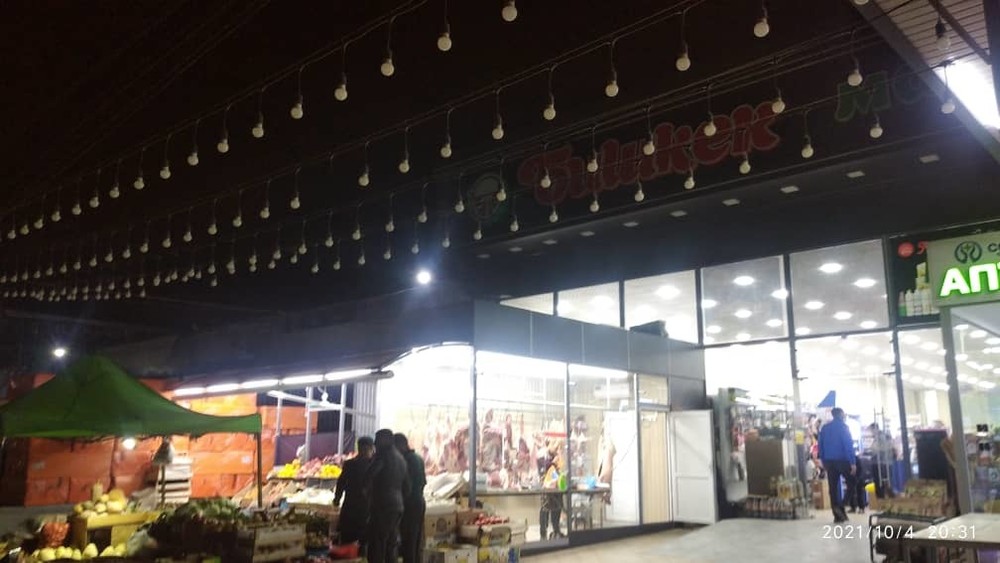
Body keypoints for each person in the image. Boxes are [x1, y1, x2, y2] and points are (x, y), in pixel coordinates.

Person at [365, 429, 410, 563]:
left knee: (377, 543)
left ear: (385, 440)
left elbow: (370, 475)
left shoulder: (383, 456)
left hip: (382, 505)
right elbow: (407, 487)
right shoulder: (401, 459)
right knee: (391, 543)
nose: (375, 443)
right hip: (397, 507)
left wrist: (366, 491)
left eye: (377, 440)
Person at [334, 436, 375, 548]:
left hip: (352, 505)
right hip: (363, 506)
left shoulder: (350, 464)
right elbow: (341, 482)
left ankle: (349, 552)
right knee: (361, 537)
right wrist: (337, 498)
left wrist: (337, 499)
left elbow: (341, 483)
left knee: (349, 535)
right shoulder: (373, 465)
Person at [818, 408, 857, 523]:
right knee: (852, 483)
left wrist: (823, 460)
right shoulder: (843, 427)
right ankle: (842, 505)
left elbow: (820, 445)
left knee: (833, 488)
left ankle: (837, 515)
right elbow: (848, 445)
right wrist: (852, 462)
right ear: (840, 414)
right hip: (843, 460)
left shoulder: (825, 428)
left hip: (829, 461)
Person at [395, 433, 427, 563]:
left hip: (409, 505)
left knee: (408, 541)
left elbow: (404, 486)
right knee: (416, 541)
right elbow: (424, 482)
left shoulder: (404, 461)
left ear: (401, 445)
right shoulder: (418, 458)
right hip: (419, 502)